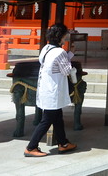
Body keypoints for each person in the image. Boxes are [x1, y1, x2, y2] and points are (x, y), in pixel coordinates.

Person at [24, 23, 78, 157]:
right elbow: (66, 70)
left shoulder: (46, 49)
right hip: (54, 90)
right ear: (61, 36)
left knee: (57, 117)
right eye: (65, 34)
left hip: (45, 88)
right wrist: (71, 63)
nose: (66, 36)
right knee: (47, 119)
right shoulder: (60, 52)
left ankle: (63, 143)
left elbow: (54, 63)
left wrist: (69, 54)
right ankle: (31, 147)